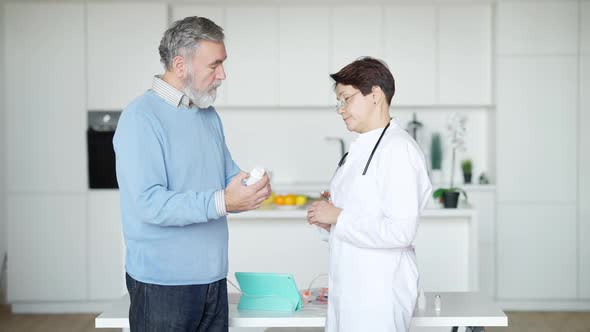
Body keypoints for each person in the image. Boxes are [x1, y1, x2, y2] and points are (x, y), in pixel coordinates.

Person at [113, 16, 271, 332]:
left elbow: (226, 176)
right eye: (214, 65)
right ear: (181, 65)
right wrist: (224, 201)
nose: (223, 75)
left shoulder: (207, 115)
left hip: (213, 278)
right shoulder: (140, 118)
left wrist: (248, 186)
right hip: (163, 285)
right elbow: (149, 203)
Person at [306, 57, 432, 332]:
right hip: (352, 287)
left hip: (378, 294)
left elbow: (401, 231)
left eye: (346, 99)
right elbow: (360, 217)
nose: (341, 109)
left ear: (375, 95)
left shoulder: (398, 150)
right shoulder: (360, 148)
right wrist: (329, 222)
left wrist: (338, 216)